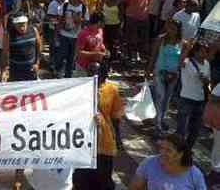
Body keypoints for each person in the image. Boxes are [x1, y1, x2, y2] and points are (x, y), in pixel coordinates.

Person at [73, 62, 123, 190]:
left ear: (103, 74)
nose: (93, 75)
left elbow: (116, 117)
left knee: (103, 178)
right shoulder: (80, 89)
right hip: (83, 141)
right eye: (90, 72)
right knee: (82, 179)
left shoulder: (111, 90)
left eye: (96, 72)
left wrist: (117, 138)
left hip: (104, 142)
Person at [128, 134, 206, 190]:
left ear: (180, 154)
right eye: (161, 148)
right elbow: (135, 187)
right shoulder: (149, 163)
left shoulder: (195, 175)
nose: (162, 153)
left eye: (168, 150)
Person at [148, 20, 184, 137]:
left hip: (173, 75)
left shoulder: (182, 43)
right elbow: (153, 55)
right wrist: (149, 69)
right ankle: (157, 125)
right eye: (169, 27)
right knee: (160, 97)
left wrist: (176, 72)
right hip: (160, 72)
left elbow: (182, 61)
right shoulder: (160, 39)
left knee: (167, 100)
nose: (171, 30)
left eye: (174, 28)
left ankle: (160, 119)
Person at [177, 41, 211, 147]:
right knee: (182, 127)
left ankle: (188, 149)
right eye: (201, 51)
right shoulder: (187, 62)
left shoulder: (206, 64)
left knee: (195, 129)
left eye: (206, 52)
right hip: (186, 98)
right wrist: (186, 49)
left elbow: (208, 82)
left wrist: (205, 80)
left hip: (200, 100)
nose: (204, 54)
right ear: (195, 52)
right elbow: (180, 63)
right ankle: (178, 147)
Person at [55, 0, 88, 78]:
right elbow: (59, 20)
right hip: (64, 35)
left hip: (77, 37)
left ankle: (68, 75)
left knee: (72, 57)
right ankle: (58, 71)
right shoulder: (65, 6)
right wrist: (57, 35)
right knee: (62, 54)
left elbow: (86, 22)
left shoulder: (84, 8)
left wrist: (80, 20)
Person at [121, 0, 152, 65]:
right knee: (131, 38)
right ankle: (131, 56)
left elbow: (148, 2)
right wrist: (123, 16)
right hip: (131, 17)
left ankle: (140, 56)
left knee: (143, 38)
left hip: (144, 17)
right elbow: (123, 3)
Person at [1, 14, 42, 82]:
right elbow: (5, 53)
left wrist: (37, 63)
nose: (21, 27)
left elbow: (39, 47)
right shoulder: (9, 34)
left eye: (23, 25)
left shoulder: (33, 30)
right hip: (15, 70)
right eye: (18, 25)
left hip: (31, 69)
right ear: (14, 25)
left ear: (27, 23)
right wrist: (4, 70)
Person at [74, 12, 107, 77]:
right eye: (104, 21)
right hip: (83, 68)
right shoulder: (83, 34)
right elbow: (78, 52)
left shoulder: (100, 30)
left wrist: (104, 50)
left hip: (95, 67)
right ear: (99, 22)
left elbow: (100, 43)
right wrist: (95, 54)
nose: (105, 23)